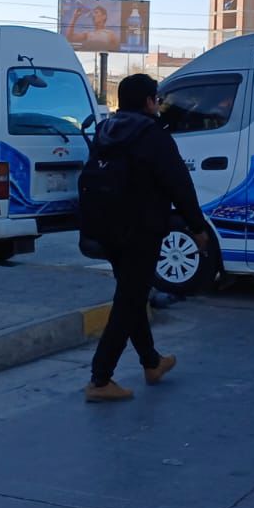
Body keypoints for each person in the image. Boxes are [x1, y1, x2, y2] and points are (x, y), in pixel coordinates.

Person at [85, 74, 209, 402]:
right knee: (129, 299)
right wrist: (197, 227)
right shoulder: (153, 135)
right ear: (148, 102)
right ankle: (100, 380)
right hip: (141, 230)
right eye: (156, 98)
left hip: (108, 228)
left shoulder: (105, 131)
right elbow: (179, 184)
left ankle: (151, 363)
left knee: (132, 294)